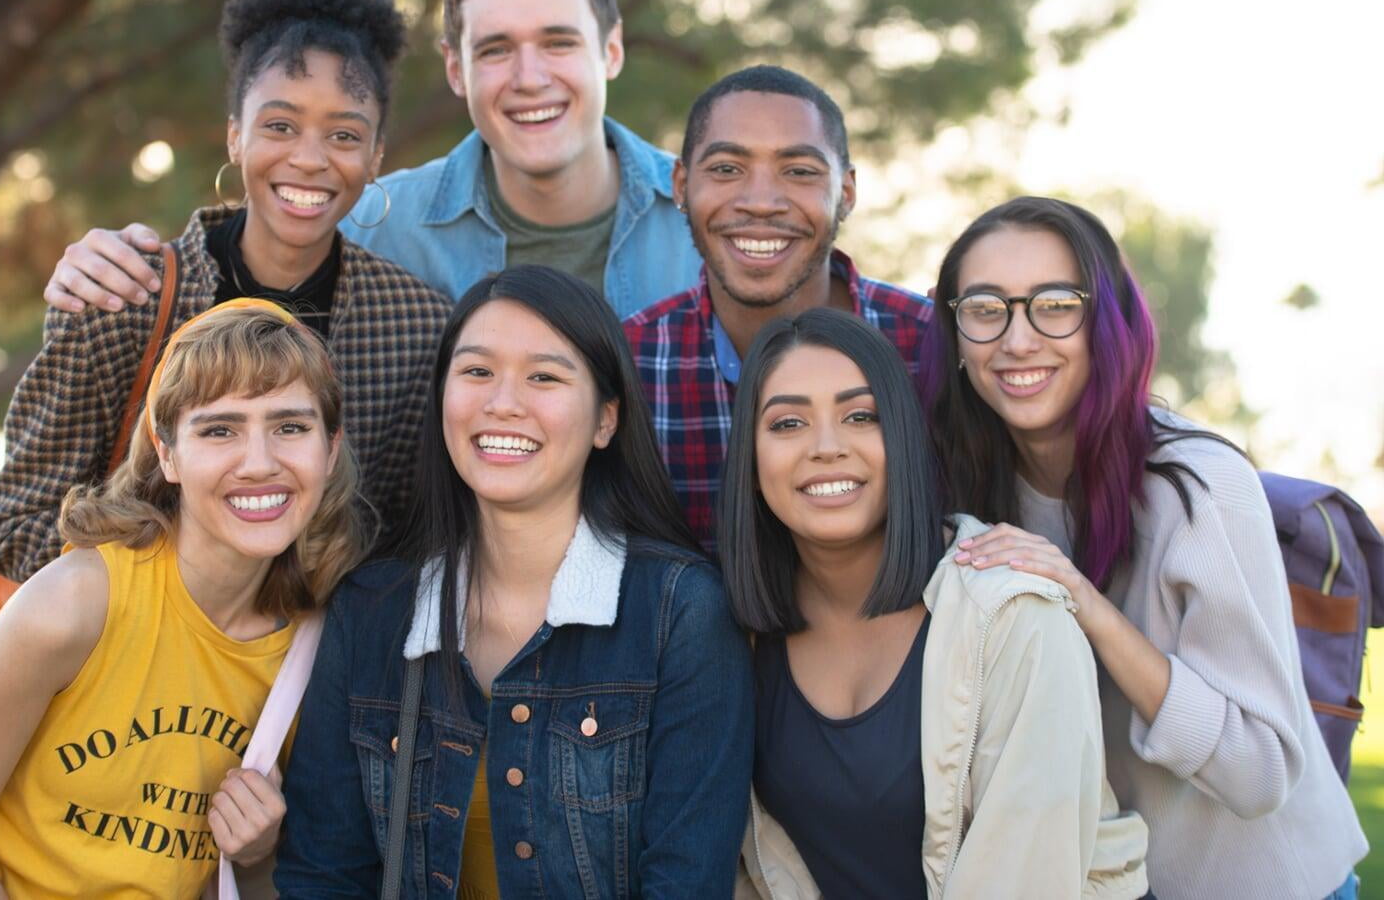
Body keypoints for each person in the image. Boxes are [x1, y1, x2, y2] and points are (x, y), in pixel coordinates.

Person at [919, 196, 1366, 899]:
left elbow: (1259, 772)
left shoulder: (1199, 488)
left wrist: (1088, 605)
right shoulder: (968, 483)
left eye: (1056, 304)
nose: (1017, 338)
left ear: (1108, 323)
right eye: (985, 309)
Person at [274, 265, 753, 898]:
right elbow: (323, 874)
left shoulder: (682, 612)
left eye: (544, 377)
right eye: (476, 371)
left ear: (606, 420)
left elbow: (686, 882)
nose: (502, 402)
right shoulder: (371, 609)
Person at [0, 0, 449, 584]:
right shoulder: (125, 296)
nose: (309, 159)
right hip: (135, 666)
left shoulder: (417, 327)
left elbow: (414, 545)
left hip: (315, 674)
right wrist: (189, 581)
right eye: (279, 126)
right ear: (235, 136)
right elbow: (16, 525)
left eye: (343, 135)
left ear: (376, 154)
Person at [0, 300, 365, 899]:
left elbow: (256, 881)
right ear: (167, 453)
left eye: (290, 427)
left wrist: (256, 850)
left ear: (329, 446)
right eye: (220, 430)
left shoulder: (317, 645)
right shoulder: (77, 602)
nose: (260, 463)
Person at [41, 0, 700, 320]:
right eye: (495, 49)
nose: (529, 78)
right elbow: (235, 293)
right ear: (455, 70)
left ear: (610, 50)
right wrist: (112, 269)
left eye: (558, 42)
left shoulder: (711, 220)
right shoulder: (372, 229)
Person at [721, 308, 1148, 899]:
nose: (825, 447)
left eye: (861, 416)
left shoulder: (1015, 614)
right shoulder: (735, 633)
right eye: (788, 423)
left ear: (903, 435)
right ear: (750, 456)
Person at [622, 65, 931, 546]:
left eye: (799, 171)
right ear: (680, 185)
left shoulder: (931, 346)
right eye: (727, 169)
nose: (761, 202)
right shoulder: (627, 363)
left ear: (845, 193)